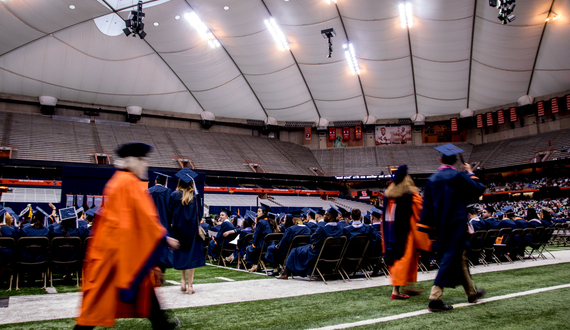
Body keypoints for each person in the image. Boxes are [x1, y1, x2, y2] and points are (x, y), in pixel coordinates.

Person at [75, 142, 180, 330]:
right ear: (134, 160)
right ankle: (162, 324)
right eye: (143, 160)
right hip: (118, 257)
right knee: (96, 306)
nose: (145, 165)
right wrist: (163, 237)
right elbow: (145, 219)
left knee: (144, 293)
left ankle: (162, 324)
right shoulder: (129, 183)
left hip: (114, 252)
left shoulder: (117, 181)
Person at [420, 144, 486, 312]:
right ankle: (435, 298)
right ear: (456, 160)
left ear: (440, 159)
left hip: (440, 227)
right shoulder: (458, 176)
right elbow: (479, 189)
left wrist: (427, 231)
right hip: (456, 224)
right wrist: (470, 172)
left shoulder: (431, 180)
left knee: (460, 257)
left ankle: (472, 293)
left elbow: (426, 209)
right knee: (449, 259)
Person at [382, 165, 424, 299]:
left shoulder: (388, 195)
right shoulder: (409, 196)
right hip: (405, 232)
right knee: (403, 260)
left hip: (390, 233)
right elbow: (419, 213)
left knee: (401, 260)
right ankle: (396, 291)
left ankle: (407, 286)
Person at [276, 206, 343, 279]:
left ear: (330, 217)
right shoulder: (340, 229)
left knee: (294, 251)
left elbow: (313, 238)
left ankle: (285, 273)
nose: (324, 217)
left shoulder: (322, 229)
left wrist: (314, 244)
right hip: (334, 254)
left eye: (325, 215)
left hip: (319, 253)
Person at [170, 168, 206, 295]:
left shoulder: (174, 195)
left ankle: (182, 281)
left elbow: (170, 213)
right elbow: (200, 215)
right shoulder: (195, 196)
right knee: (191, 257)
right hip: (192, 230)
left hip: (178, 230)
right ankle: (190, 285)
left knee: (182, 254)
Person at [148, 172, 174, 273]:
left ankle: (151, 271)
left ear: (155, 181)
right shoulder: (168, 191)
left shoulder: (147, 191)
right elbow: (170, 209)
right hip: (163, 225)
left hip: (150, 226)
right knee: (162, 250)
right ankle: (160, 271)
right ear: (164, 183)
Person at [246, 203, 277, 272]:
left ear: (264, 213)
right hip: (269, 244)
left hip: (262, 245)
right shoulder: (269, 221)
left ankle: (255, 265)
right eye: (257, 211)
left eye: (259, 211)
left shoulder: (260, 222)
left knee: (250, 247)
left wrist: (253, 244)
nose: (257, 213)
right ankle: (258, 265)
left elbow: (256, 235)